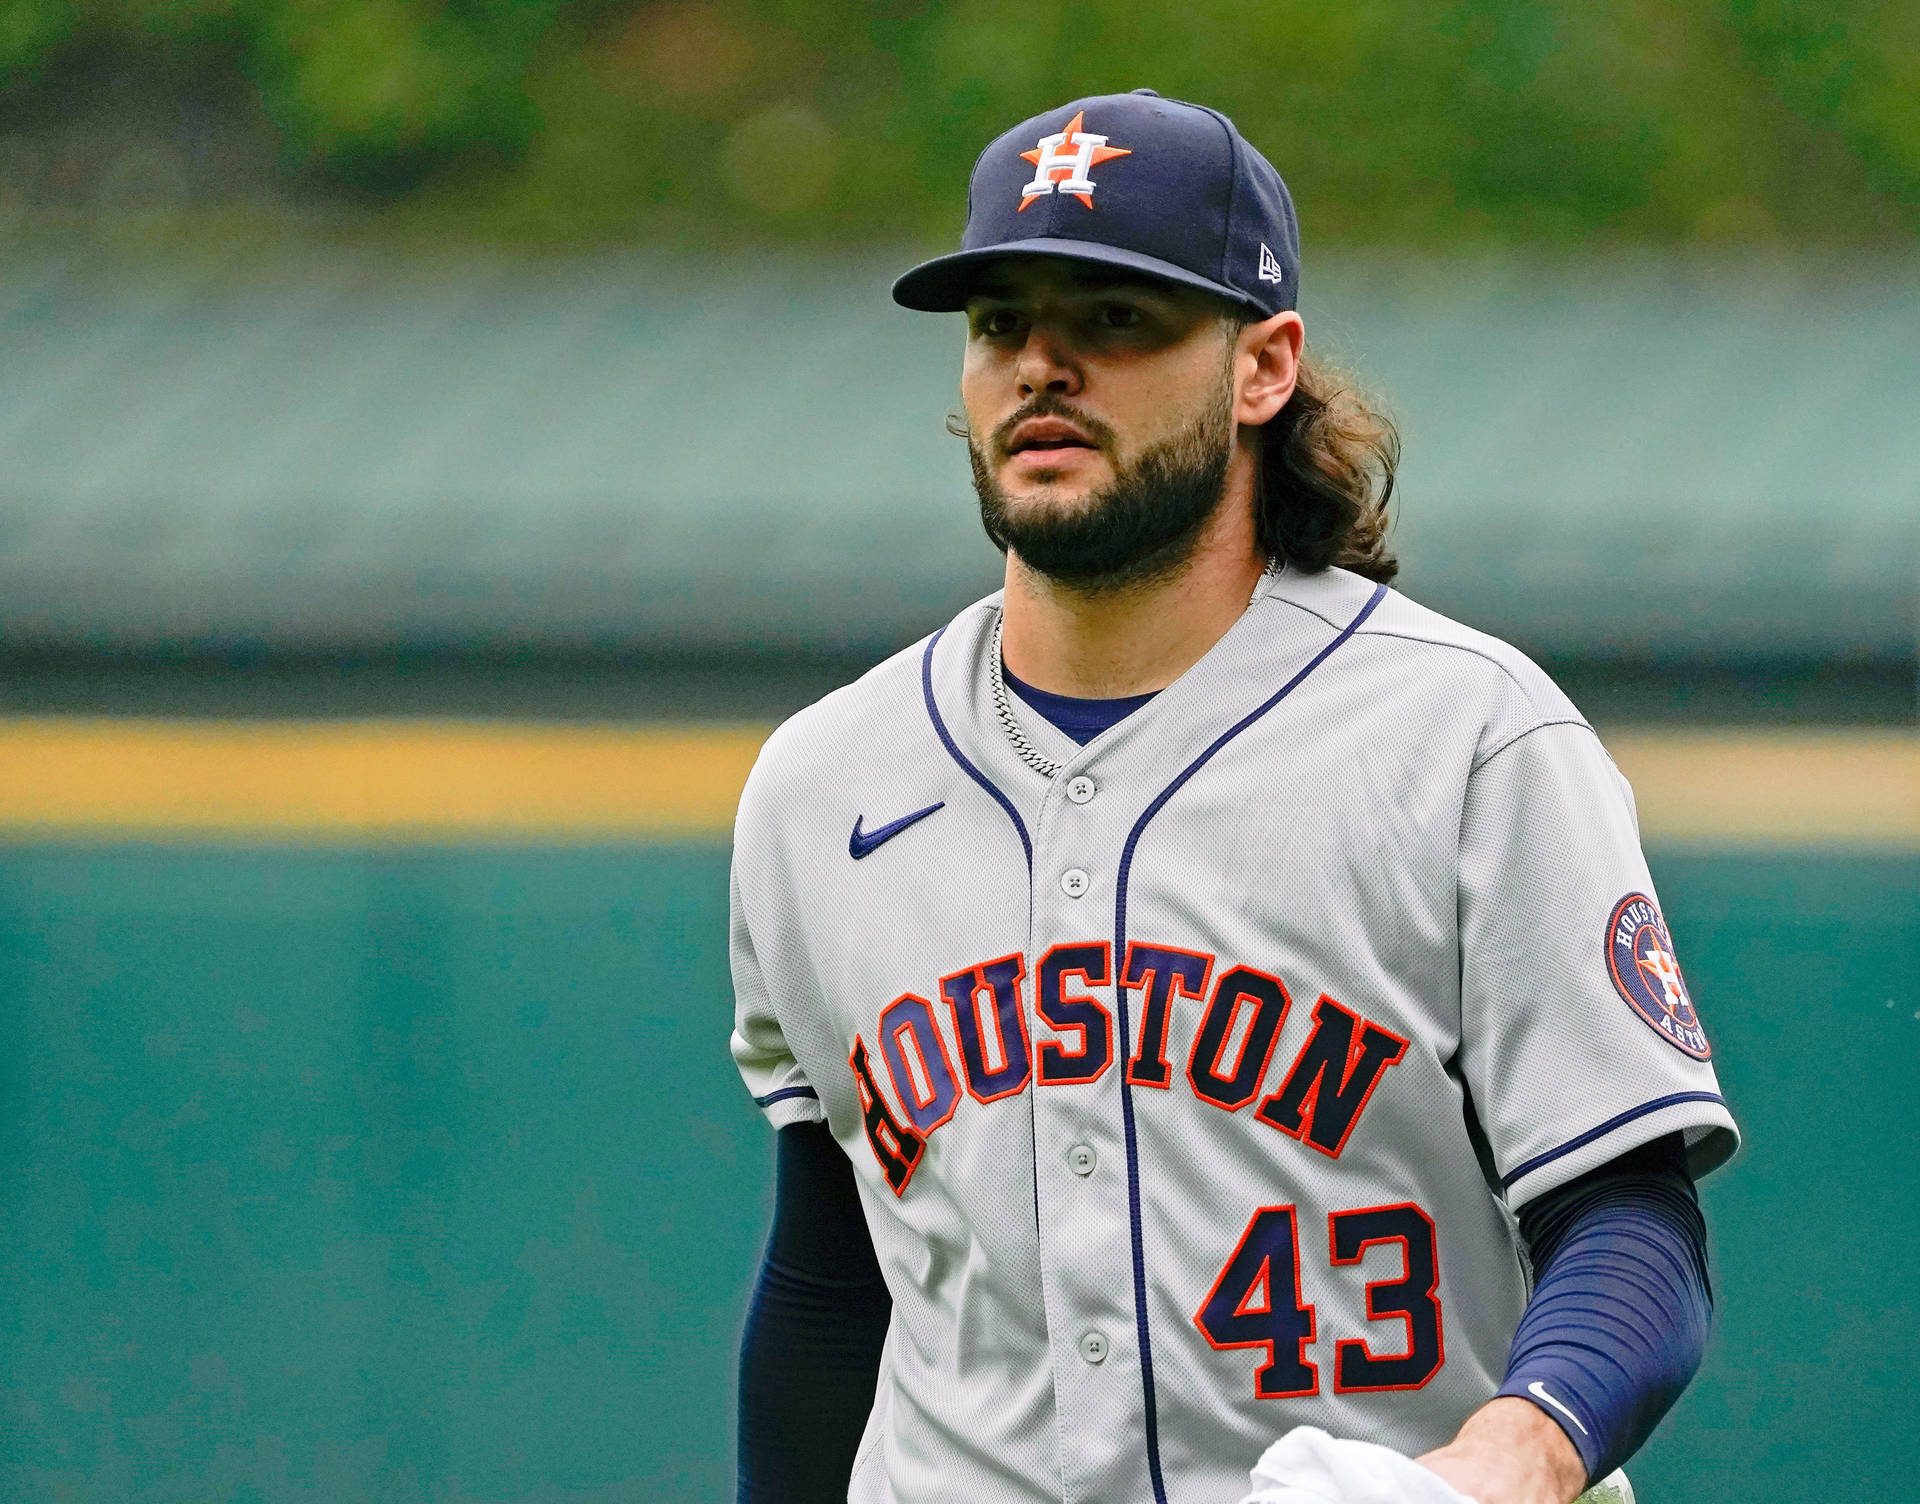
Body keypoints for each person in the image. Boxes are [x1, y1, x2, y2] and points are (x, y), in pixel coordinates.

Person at [729, 91, 1737, 1504]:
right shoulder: (823, 784)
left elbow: (1630, 1217)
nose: (1043, 367)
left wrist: (1498, 1467)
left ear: (1263, 367)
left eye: (1119, 318)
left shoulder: (1469, 739)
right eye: (1001, 323)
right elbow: (834, 1279)